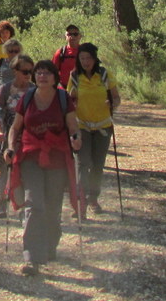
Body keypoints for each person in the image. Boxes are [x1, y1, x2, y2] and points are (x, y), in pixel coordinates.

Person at [4, 60, 81, 275]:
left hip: (57, 159)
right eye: (39, 73)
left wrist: (76, 138)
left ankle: (49, 245)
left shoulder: (63, 99)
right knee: (34, 204)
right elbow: (15, 127)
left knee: (53, 207)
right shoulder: (27, 98)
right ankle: (31, 257)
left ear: (55, 77)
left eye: (47, 73)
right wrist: (10, 148)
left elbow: (73, 126)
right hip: (30, 158)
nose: (42, 76)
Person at [67, 42, 121, 214]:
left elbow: (116, 97)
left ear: (95, 58)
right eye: (82, 58)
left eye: (88, 58)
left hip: (103, 126)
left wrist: (112, 103)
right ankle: (80, 202)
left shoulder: (104, 74)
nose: (85, 61)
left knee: (97, 164)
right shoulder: (74, 76)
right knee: (82, 163)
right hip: (82, 125)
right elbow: (70, 98)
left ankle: (93, 198)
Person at [0, 54, 34, 218]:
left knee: (25, 170)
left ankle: (23, 205)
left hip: (28, 135)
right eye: (25, 71)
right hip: (8, 132)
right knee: (5, 169)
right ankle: (1, 202)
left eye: (30, 71)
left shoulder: (33, 89)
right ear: (15, 71)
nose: (28, 74)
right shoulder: (5, 88)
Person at [0, 37, 24, 115]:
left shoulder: (23, 64)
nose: (13, 54)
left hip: (17, 95)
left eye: (16, 51)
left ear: (19, 52)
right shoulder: (1, 62)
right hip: (1, 94)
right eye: (10, 51)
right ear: (6, 51)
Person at [52, 24, 82, 89]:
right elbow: (52, 72)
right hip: (64, 90)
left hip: (82, 89)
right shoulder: (60, 52)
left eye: (75, 34)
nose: (72, 37)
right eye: (69, 34)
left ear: (80, 36)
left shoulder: (85, 52)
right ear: (65, 36)